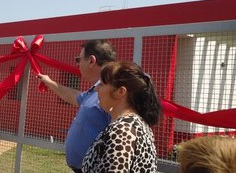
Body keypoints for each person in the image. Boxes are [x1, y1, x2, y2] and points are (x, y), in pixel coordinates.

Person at [38, 39, 116, 172]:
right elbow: (74, 96)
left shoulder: (111, 92)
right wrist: (49, 82)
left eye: (79, 59)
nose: (78, 64)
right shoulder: (96, 89)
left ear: (91, 61)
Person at [82, 61, 161, 172]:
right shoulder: (130, 125)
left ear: (120, 92)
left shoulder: (123, 132)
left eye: (102, 84)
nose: (95, 89)